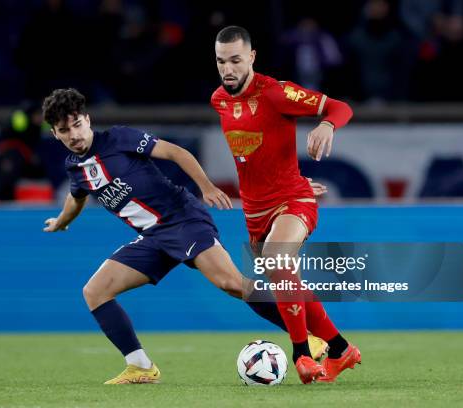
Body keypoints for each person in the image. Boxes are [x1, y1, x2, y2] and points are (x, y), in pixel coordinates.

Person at [41, 88, 326, 385]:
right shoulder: (75, 167)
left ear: (87, 120)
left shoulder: (117, 138)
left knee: (231, 283)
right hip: (153, 238)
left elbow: (176, 152)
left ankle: (307, 337)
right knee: (94, 292)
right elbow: (76, 199)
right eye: (64, 130)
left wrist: (206, 187)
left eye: (77, 125)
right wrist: (62, 222)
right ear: (55, 133)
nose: (74, 134)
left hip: (183, 220)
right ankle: (141, 367)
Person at [211, 26, 361, 384]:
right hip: (255, 211)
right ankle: (340, 350)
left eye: (235, 60)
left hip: (293, 202)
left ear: (251, 57)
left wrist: (327, 125)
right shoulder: (218, 99)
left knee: (279, 260)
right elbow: (256, 157)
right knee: (284, 277)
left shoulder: (277, 93)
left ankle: (302, 355)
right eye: (220, 61)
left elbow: (340, 107)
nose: (227, 68)